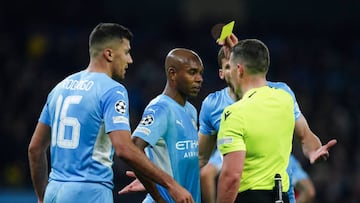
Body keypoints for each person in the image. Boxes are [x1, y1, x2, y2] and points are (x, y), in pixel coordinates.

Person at [28, 23, 194, 203]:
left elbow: (35, 149)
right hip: (89, 192)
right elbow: (124, 149)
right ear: (109, 54)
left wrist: (41, 196)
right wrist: (171, 185)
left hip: (54, 190)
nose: (130, 59)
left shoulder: (59, 88)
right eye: (126, 52)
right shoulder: (113, 90)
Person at [215, 38, 337, 203]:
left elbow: (231, 176)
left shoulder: (234, 113)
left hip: (250, 197)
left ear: (239, 70)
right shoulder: (285, 99)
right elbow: (306, 136)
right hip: (282, 197)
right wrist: (314, 151)